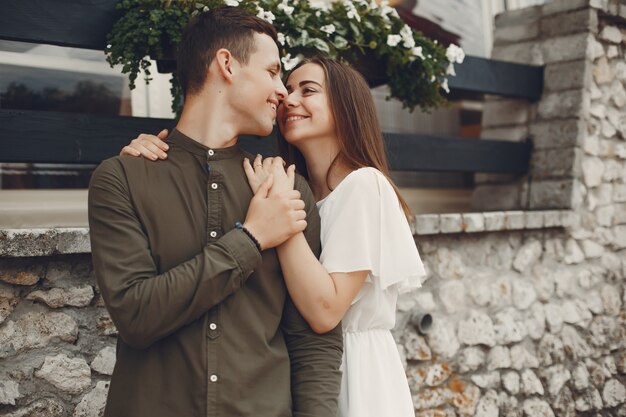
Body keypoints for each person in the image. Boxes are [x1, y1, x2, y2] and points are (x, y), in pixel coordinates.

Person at [124, 56, 426, 417]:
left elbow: (325, 311)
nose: (288, 98)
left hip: (355, 373)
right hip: (301, 374)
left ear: (346, 107)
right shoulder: (298, 188)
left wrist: (280, 217)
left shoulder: (363, 184)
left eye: (308, 90)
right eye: (288, 88)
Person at [88, 7, 343, 417]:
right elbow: (136, 315)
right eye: (273, 71)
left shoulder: (286, 190)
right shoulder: (121, 178)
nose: (282, 91)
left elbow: (312, 338)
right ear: (226, 64)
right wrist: (251, 239)